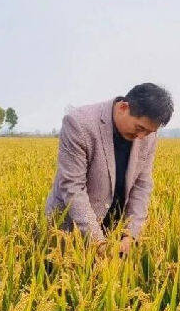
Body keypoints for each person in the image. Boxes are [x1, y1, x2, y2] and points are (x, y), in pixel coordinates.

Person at [45, 83, 173, 255]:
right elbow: (73, 187)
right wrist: (98, 242)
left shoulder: (147, 135)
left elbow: (142, 185)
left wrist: (131, 234)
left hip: (115, 230)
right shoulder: (79, 124)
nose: (142, 137)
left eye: (149, 132)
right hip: (72, 231)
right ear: (123, 107)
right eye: (139, 128)